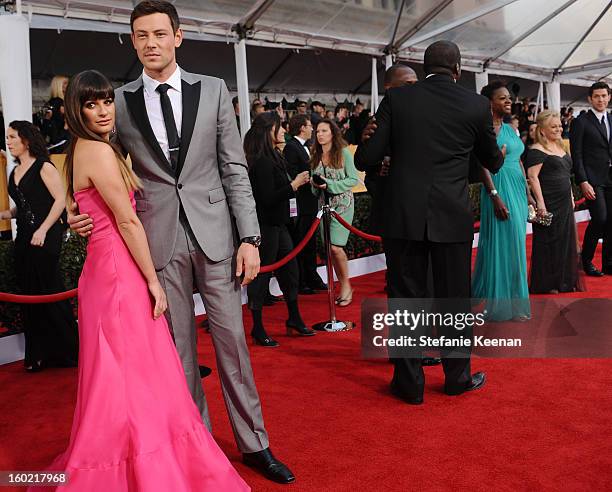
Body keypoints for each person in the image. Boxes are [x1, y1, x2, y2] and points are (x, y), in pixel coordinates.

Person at [67, 1, 294, 484]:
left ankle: (256, 443)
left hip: (216, 237)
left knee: (233, 343)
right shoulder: (119, 101)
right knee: (178, 356)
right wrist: (75, 213)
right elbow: (98, 171)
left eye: (158, 34)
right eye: (140, 36)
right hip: (156, 239)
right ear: (132, 42)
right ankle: (199, 445)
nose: (150, 43)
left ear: (178, 36)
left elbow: (234, 167)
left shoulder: (212, 90)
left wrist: (250, 236)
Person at [30, 69, 250, 491]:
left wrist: (81, 221)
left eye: (107, 101)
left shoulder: (87, 149)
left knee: (126, 377)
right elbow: (129, 222)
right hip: (119, 274)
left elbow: (92, 210)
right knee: (136, 377)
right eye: (90, 104)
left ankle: (134, 457)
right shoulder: (95, 150)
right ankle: (134, 465)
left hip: (108, 270)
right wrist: (152, 281)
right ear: (74, 110)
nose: (102, 111)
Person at [355, 40, 503, 405]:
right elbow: (493, 162)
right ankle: (457, 378)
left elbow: (366, 158)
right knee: (455, 300)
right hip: (451, 216)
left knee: (405, 299)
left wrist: (373, 142)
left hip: (404, 216)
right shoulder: (475, 104)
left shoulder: (398, 100)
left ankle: (410, 384)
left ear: (424, 67)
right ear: (458, 69)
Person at [1, 121, 78, 373]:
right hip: (24, 237)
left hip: (46, 236)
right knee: (29, 294)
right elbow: (24, 206)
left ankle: (69, 351)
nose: (9, 141)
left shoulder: (44, 166)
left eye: (12, 137)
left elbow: (59, 201)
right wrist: (6, 214)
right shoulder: (14, 171)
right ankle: (38, 355)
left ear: (26, 139)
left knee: (49, 290)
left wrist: (43, 229)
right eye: (7, 137)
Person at [244, 112, 314, 347]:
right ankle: (258, 327)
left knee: (290, 272)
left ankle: (294, 318)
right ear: (269, 131)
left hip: (280, 224)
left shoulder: (274, 155)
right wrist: (294, 185)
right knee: (262, 277)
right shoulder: (262, 161)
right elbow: (267, 197)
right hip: (266, 227)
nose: (284, 130)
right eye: (279, 127)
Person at [472, 80, 532, 321]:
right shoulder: (484, 129)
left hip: (517, 189)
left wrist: (527, 192)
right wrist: (494, 195)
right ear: (489, 102)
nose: (509, 101)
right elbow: (481, 164)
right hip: (497, 190)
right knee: (500, 244)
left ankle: (515, 303)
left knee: (517, 244)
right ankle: (499, 304)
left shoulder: (512, 129)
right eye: (502, 98)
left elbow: (518, 160)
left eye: (509, 97)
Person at [526, 110, 585, 294]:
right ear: (542, 130)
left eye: (559, 125)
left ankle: (564, 281)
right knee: (548, 241)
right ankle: (548, 283)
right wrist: (540, 204)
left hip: (564, 202)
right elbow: (533, 178)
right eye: (554, 126)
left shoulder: (561, 148)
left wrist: (571, 196)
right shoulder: (536, 150)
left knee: (565, 240)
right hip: (548, 201)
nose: (559, 129)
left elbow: (567, 176)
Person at [310, 119, 358, 306]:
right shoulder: (315, 154)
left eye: (324, 130)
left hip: (343, 204)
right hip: (324, 206)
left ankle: (346, 285)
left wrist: (330, 185)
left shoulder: (343, 153)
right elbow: (315, 188)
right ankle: (341, 284)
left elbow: (353, 179)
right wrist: (315, 184)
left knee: (336, 247)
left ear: (332, 133)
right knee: (330, 249)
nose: (320, 134)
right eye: (318, 131)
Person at [569, 81, 612, 276]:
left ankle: (609, 264)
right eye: (597, 96)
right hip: (593, 180)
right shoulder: (581, 121)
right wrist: (583, 181)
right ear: (590, 99)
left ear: (609, 97)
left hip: (611, 178)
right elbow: (576, 154)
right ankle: (586, 261)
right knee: (600, 218)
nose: (601, 99)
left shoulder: (611, 119)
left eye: (604, 96)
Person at [284, 114, 327, 294]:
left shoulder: (307, 147)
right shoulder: (291, 148)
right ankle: (302, 281)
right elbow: (294, 174)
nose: (313, 129)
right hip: (301, 203)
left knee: (310, 244)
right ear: (302, 127)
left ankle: (312, 277)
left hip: (311, 201)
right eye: (310, 126)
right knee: (302, 242)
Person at [40, 75, 71, 152]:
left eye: (67, 83)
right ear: (58, 86)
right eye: (64, 83)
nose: (67, 86)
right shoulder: (58, 103)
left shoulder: (52, 103)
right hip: (61, 142)